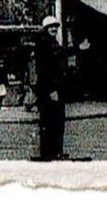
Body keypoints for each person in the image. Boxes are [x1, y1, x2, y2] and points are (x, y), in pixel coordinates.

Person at [33, 16, 68, 161]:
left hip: (53, 89)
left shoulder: (51, 42)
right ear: (46, 29)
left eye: (56, 27)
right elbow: (47, 69)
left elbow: (61, 53)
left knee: (56, 121)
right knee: (51, 121)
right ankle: (49, 152)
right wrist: (52, 90)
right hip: (49, 90)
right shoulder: (44, 44)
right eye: (51, 27)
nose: (54, 29)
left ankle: (54, 150)